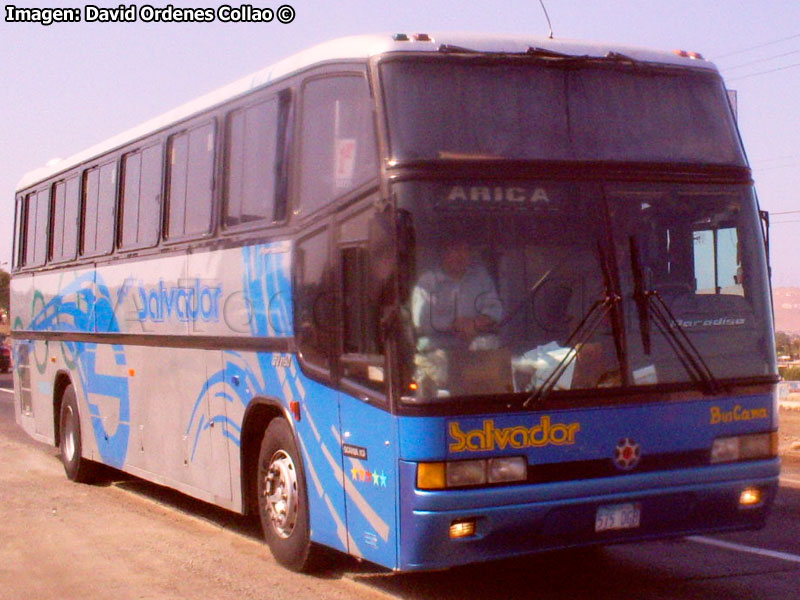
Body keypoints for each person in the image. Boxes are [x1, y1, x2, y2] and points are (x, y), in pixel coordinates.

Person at [410, 239, 503, 394]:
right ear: (443, 253)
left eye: (465, 250)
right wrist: (454, 324)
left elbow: (495, 310)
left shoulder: (480, 277)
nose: (461, 256)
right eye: (455, 250)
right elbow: (421, 321)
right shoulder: (428, 281)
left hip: (476, 354)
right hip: (437, 354)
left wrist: (475, 324)